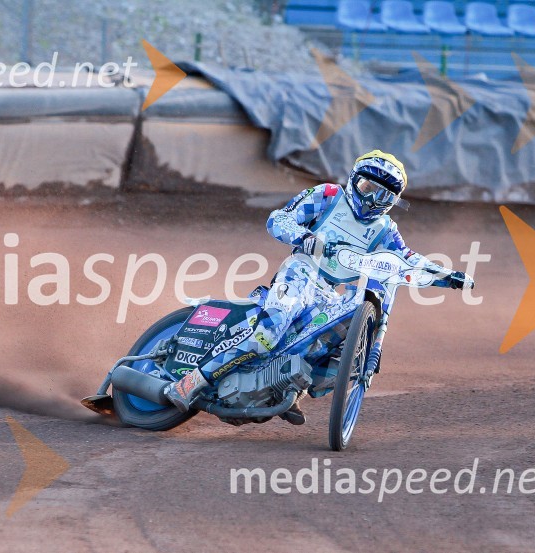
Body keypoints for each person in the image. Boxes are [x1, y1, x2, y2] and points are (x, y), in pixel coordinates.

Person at [164, 150, 472, 423]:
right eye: (368, 189)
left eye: (384, 197)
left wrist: (448, 276)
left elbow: (406, 260)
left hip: (330, 294)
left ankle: (285, 387)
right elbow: (279, 218)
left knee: (343, 351)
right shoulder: (327, 195)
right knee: (267, 335)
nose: (372, 201)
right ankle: (191, 381)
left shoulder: (387, 230)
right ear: (354, 180)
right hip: (301, 273)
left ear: (393, 203)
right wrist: (303, 237)